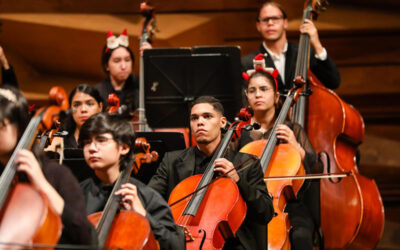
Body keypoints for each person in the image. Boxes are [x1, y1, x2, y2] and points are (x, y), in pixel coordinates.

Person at [148, 96, 274, 250]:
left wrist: (237, 179)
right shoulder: (171, 161)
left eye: (207, 116)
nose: (200, 122)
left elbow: (265, 213)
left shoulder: (247, 163)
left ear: (222, 122)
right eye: (194, 118)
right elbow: (149, 201)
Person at [236, 64, 321, 250]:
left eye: (263, 89)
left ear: (276, 97)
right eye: (252, 90)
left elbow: (316, 168)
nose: (258, 94)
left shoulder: (292, 130)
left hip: (288, 205)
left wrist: (296, 146)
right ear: (247, 98)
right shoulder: (240, 134)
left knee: (300, 236)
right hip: (250, 203)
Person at [0, 85, 96, 246]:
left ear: (20, 127)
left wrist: (42, 184)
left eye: (0, 125)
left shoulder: (55, 175)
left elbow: (87, 239)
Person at [78, 112, 185, 250]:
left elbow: (176, 246)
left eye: (101, 140)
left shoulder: (146, 196)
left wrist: (143, 215)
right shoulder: (76, 194)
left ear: (124, 148)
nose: (92, 148)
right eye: (87, 142)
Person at [241, 1, 340, 92]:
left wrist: (317, 44)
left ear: (285, 23)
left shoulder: (304, 53)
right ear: (258, 25)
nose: (270, 23)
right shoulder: (247, 63)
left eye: (275, 18)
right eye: (265, 19)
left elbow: (333, 82)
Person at [96, 29, 152, 117]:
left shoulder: (141, 84)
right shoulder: (98, 92)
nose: (123, 66)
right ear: (107, 65)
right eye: (117, 61)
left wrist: (151, 59)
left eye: (127, 60)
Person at [47, 84, 104, 151]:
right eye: (77, 105)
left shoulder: (109, 139)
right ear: (70, 108)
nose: (83, 109)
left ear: (100, 107)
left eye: (90, 104)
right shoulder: (60, 141)